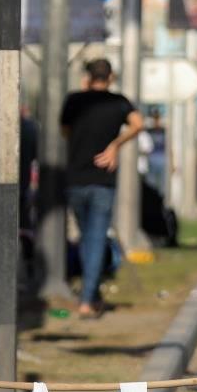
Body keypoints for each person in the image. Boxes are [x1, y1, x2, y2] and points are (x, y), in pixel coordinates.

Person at [61, 58, 143, 318]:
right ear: (111, 77)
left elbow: (65, 131)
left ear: (87, 77)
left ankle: (90, 295)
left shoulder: (74, 100)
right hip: (102, 180)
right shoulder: (118, 102)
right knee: (95, 240)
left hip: (75, 179)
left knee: (87, 239)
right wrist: (114, 146)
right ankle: (88, 300)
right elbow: (138, 124)